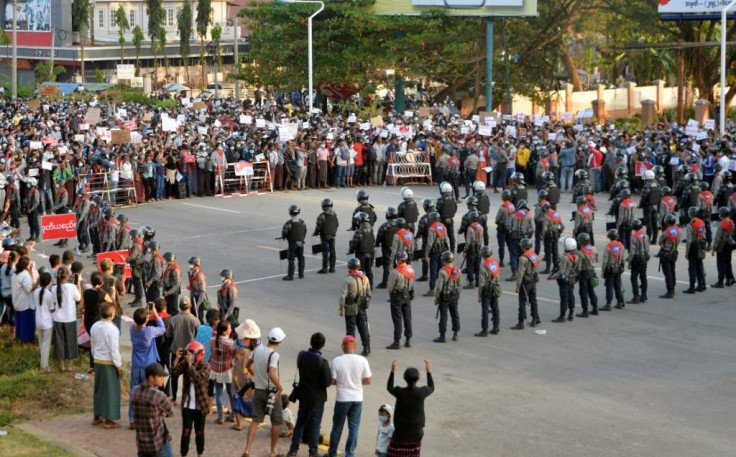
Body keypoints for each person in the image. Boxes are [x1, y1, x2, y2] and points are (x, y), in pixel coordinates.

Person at [242, 327, 286, 457]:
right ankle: (272, 451)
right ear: (279, 342)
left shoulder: (258, 349)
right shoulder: (274, 354)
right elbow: (271, 373)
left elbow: (247, 365)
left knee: (255, 420)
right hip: (271, 392)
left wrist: (256, 376)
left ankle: (247, 449)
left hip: (259, 390)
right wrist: (280, 387)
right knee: (276, 422)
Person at [288, 332, 332, 457]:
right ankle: (313, 452)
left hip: (303, 395)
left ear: (311, 342)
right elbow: (326, 382)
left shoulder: (301, 355)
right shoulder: (323, 362)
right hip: (317, 398)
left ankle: (293, 449)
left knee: (300, 422)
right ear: (322, 345)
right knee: (314, 425)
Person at [327, 335, 372, 457]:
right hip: (357, 398)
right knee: (354, 427)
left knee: (337, 427)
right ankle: (350, 453)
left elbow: (333, 381)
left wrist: (342, 382)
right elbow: (368, 380)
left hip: (342, 398)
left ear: (342, 347)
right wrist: (357, 382)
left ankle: (332, 453)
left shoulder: (336, 361)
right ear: (355, 346)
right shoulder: (363, 360)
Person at [386, 359, 434, 457]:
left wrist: (392, 371)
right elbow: (432, 387)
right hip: (416, 433)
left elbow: (389, 387)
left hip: (400, 433)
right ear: (418, 378)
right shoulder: (421, 392)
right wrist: (428, 372)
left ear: (405, 378)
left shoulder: (400, 392)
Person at [129, 306, 167, 429]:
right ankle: (150, 417)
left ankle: (132, 419)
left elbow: (136, 323)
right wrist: (156, 315)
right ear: (145, 320)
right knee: (151, 393)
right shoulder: (149, 331)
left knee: (134, 391)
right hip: (148, 365)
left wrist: (145, 315)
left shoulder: (132, 329)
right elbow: (162, 329)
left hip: (136, 364)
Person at [170, 341, 211, 457]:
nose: (189, 356)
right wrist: (177, 359)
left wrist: (189, 364)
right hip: (187, 405)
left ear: (199, 354)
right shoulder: (185, 363)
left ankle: (200, 454)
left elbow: (198, 378)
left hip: (200, 406)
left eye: (191, 354)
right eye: (188, 354)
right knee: (186, 431)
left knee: (199, 432)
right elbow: (173, 373)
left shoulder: (206, 366)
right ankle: (184, 454)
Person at [131, 363, 175, 457]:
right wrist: (161, 412)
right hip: (157, 443)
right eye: (160, 376)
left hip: (141, 443)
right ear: (151, 377)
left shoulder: (134, 391)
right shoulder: (158, 395)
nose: (163, 379)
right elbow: (171, 412)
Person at [90, 304, 122, 429]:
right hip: (109, 362)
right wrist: (118, 365)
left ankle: (97, 415)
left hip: (98, 360)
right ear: (112, 315)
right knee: (111, 391)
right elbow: (114, 349)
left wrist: (94, 359)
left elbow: (93, 345)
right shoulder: (113, 329)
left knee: (99, 390)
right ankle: (109, 419)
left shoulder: (95, 326)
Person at [165, 297, 200, 403]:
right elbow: (198, 336)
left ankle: (174, 397)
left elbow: (168, 335)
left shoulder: (173, 319)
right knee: (189, 375)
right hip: (190, 352)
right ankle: (187, 397)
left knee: (174, 374)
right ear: (190, 306)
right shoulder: (195, 320)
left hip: (177, 351)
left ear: (179, 307)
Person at [339, 257, 372, 356]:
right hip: (361, 305)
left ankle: (350, 350)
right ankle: (366, 347)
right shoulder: (364, 278)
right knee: (363, 327)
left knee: (350, 328)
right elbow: (368, 293)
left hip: (350, 305)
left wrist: (341, 307)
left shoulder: (348, 279)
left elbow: (343, 295)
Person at [232, 319, 260, 429]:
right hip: (251, 374)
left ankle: (239, 424)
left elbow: (232, 353)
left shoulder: (237, 344)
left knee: (236, 397)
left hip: (237, 374)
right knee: (252, 398)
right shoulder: (256, 346)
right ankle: (256, 422)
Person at [52, 266, 81, 372]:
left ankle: (62, 365)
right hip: (70, 318)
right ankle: (70, 364)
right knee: (71, 341)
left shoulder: (54, 288)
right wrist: (79, 288)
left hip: (58, 318)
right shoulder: (72, 287)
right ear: (68, 275)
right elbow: (78, 299)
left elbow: (53, 301)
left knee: (60, 341)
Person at [84, 272, 113, 372]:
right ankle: (98, 365)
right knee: (100, 344)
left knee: (93, 343)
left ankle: (92, 365)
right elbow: (112, 304)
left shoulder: (86, 292)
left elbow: (80, 307)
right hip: (98, 321)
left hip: (88, 321)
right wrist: (112, 292)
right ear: (101, 282)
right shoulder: (102, 294)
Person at [386, 251, 414, 350]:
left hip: (396, 296)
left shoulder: (395, 272)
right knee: (407, 318)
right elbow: (411, 284)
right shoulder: (410, 269)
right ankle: (408, 339)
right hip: (407, 295)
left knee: (397, 320)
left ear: (398, 260)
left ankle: (397, 341)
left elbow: (390, 287)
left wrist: (391, 295)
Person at [548, 237, 580, 322]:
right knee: (571, 295)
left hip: (564, 280)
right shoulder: (576, 255)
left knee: (564, 298)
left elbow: (561, 272)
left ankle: (562, 316)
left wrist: (553, 277)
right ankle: (571, 314)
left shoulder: (564, 257)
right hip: (572, 278)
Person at [209, 320, 235, 424]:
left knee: (218, 393)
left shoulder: (212, 340)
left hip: (215, 369)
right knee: (231, 392)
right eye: (229, 328)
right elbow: (234, 354)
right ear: (225, 332)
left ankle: (221, 417)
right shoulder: (230, 343)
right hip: (227, 369)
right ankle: (233, 415)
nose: (231, 330)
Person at [511, 238, 540, 330]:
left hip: (525, 282)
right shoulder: (535, 255)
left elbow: (520, 274)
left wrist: (517, 286)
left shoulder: (523, 258)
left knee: (522, 302)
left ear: (523, 247)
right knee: (533, 300)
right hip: (532, 280)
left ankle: (521, 322)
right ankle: (535, 318)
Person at [433, 251, 461, 343]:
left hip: (445, 296)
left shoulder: (442, 271)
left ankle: (442, 335)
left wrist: (437, 297)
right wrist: (458, 293)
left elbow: (439, 286)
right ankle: (455, 333)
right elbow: (460, 284)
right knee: (455, 315)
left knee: (443, 316)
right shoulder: (457, 269)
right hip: (454, 295)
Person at [475, 246, 501, 336]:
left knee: (485, 310)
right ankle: (496, 327)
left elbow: (481, 283)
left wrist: (479, 296)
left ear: (483, 255)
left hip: (486, 290)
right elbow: (497, 277)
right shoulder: (495, 263)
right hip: (495, 288)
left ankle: (484, 330)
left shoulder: (483, 267)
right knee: (495, 308)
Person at [505, 199, 533, 281]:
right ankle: (524, 272)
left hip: (514, 237)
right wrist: (529, 237)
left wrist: (511, 231)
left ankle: (514, 273)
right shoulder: (529, 216)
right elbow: (533, 228)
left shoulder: (513, 215)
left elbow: (508, 225)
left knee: (514, 255)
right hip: (524, 238)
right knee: (524, 255)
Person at [422, 211, 449, 297]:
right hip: (442, 251)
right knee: (442, 270)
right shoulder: (443, 227)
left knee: (433, 272)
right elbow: (446, 240)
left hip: (434, 252)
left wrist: (426, 254)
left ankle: (432, 289)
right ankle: (444, 287)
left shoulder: (432, 228)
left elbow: (430, 242)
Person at [11, 256, 37, 343]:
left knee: (19, 323)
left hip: (17, 302)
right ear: (27, 265)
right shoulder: (25, 275)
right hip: (26, 304)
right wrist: (37, 283)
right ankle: (26, 341)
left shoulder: (15, 274)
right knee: (27, 324)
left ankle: (18, 338)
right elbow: (29, 289)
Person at [683, 206, 707, 294]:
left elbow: (689, 240)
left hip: (693, 247)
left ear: (690, 215)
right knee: (700, 266)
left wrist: (686, 252)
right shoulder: (701, 222)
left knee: (692, 268)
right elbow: (704, 234)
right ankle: (701, 285)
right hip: (701, 245)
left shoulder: (690, 225)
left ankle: (691, 287)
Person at [348, 212, 375, 288]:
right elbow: (373, 240)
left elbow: (354, 243)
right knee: (369, 269)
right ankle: (370, 285)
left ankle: (361, 286)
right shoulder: (371, 229)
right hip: (370, 252)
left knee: (361, 270)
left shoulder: (358, 231)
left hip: (361, 253)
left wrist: (351, 250)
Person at [34, 272, 55, 374]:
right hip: (47, 322)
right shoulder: (49, 294)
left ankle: (45, 365)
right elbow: (52, 309)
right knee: (46, 346)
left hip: (38, 321)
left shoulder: (35, 292)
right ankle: (43, 367)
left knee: (41, 344)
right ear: (49, 282)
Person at [711, 206, 736, 287]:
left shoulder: (722, 224)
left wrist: (714, 248)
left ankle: (720, 281)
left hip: (722, 246)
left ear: (722, 214)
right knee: (728, 262)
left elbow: (718, 237)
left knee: (721, 264)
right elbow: (732, 234)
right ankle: (730, 279)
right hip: (729, 244)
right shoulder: (731, 222)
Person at [601, 229, 626, 310]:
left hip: (610, 270)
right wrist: (622, 267)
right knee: (618, 285)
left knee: (609, 286)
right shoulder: (621, 246)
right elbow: (623, 259)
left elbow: (605, 261)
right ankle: (620, 302)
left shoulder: (608, 247)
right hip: (618, 268)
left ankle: (608, 304)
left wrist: (603, 271)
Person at [576, 233, 599, 317]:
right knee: (591, 290)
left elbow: (578, 266)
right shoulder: (593, 248)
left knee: (583, 292)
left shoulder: (581, 252)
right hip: (592, 271)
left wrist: (577, 274)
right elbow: (597, 259)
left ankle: (585, 310)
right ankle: (595, 308)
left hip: (584, 272)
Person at [657, 214, 680, 299]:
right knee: (673, 270)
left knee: (667, 273)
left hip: (666, 253)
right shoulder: (678, 231)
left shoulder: (666, 232)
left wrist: (663, 244)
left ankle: (670, 291)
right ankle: (673, 287)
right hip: (674, 252)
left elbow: (660, 241)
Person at [375, 207, 399, 289]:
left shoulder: (384, 226)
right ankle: (397, 281)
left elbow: (379, 236)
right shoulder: (399, 225)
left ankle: (385, 283)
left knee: (386, 265)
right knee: (397, 264)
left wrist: (377, 243)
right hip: (397, 247)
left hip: (387, 247)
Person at [282, 204, 307, 281]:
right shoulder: (302, 222)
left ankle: (290, 275)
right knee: (301, 258)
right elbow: (304, 231)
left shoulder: (288, 223)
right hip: (301, 243)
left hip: (292, 243)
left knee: (291, 259)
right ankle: (301, 274)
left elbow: (284, 232)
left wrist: (284, 237)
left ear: (290, 213)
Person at [628, 219, 650, 304]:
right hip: (644, 257)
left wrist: (630, 262)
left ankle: (636, 296)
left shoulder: (633, 237)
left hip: (637, 258)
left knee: (634, 277)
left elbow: (632, 252)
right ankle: (644, 295)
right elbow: (647, 248)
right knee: (643, 276)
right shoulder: (646, 235)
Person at [314, 198, 339, 274]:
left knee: (325, 252)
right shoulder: (334, 214)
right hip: (332, 235)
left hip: (324, 236)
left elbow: (318, 226)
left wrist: (315, 233)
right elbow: (337, 224)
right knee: (332, 251)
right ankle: (332, 268)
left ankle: (325, 269)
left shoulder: (322, 216)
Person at [540, 202, 564, 274]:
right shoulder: (556, 214)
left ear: (545, 209)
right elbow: (562, 226)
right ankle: (555, 267)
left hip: (548, 236)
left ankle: (547, 268)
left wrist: (543, 238)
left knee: (548, 252)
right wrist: (559, 233)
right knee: (555, 252)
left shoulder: (547, 216)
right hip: (555, 235)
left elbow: (544, 228)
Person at [462, 211, 483, 288]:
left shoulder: (470, 228)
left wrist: (465, 251)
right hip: (479, 248)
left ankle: (471, 282)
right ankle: (478, 281)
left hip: (471, 249)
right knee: (477, 266)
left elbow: (468, 242)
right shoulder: (480, 227)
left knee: (470, 266)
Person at [436, 182, 458, 252]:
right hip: (450, 219)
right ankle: (452, 250)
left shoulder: (441, 200)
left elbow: (437, 210)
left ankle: (442, 250)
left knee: (440, 236)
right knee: (451, 236)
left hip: (442, 220)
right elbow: (455, 209)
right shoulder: (453, 199)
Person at [187, 256, 207, 321]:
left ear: (196, 265)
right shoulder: (192, 273)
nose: (190, 265)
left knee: (199, 318)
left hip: (198, 299)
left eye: (191, 263)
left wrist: (197, 305)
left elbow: (202, 292)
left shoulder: (200, 276)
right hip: (193, 297)